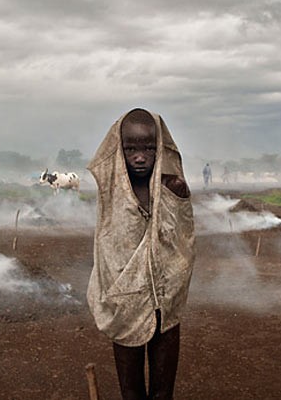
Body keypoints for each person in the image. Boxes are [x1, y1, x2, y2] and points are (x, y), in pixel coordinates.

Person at [87, 108, 194, 400]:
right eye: (131, 148)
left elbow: (184, 246)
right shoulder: (111, 195)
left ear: (160, 148)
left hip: (165, 309)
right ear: (118, 150)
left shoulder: (171, 189)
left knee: (162, 393)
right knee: (131, 391)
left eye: (148, 147)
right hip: (125, 306)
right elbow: (109, 249)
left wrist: (178, 197)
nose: (139, 156)